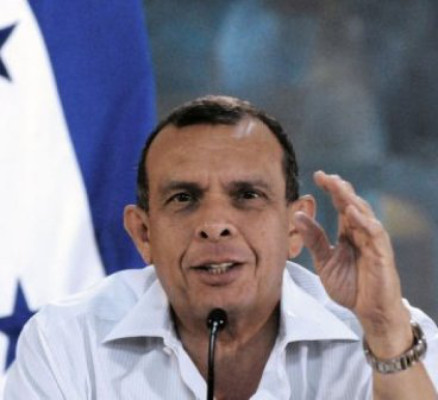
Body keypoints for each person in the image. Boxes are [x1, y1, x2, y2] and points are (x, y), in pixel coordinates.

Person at [4, 95, 438, 399]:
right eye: (183, 198)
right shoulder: (67, 342)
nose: (214, 225)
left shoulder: (395, 334)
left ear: (295, 228)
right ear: (144, 234)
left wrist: (385, 332)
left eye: (247, 195)